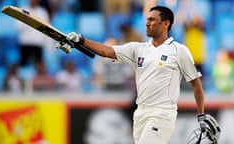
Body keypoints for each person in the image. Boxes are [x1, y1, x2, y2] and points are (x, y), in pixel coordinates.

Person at [56, 6, 220, 144]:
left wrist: (201, 115)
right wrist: (82, 40)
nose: (147, 23)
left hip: (162, 113)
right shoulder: (138, 49)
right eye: (147, 19)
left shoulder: (179, 50)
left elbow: (196, 83)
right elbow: (107, 51)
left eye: (152, 20)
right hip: (140, 113)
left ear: (166, 24)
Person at [17, 0, 50, 67]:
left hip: (38, 43)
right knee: (23, 64)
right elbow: (19, 27)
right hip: (25, 42)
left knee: (38, 64)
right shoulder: (23, 10)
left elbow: (46, 27)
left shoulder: (42, 12)